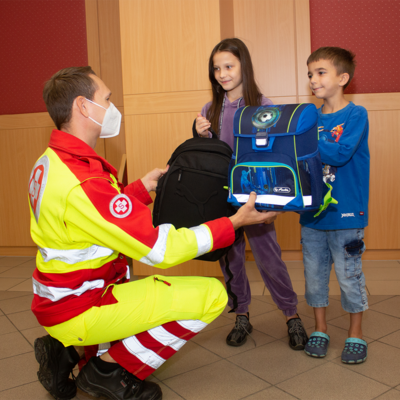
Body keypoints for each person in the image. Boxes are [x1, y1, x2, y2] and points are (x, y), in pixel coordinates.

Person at [28, 66, 279, 400]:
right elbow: (161, 250)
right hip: (83, 304)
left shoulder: (52, 162)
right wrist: (233, 222)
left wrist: (140, 189)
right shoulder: (84, 181)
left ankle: (66, 353)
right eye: (106, 99)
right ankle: (107, 372)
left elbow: (91, 218)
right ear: (84, 107)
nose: (112, 107)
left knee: (133, 313)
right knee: (211, 296)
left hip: (61, 297)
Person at [195, 38, 308, 349]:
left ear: (244, 66)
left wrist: (274, 203)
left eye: (229, 66)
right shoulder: (210, 108)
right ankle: (241, 314)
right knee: (230, 261)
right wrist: (199, 133)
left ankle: (291, 314)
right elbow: (208, 155)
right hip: (223, 197)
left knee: (269, 258)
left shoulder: (263, 105)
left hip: (255, 197)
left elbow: (278, 153)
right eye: (216, 68)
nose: (222, 73)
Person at [300, 47, 370, 363]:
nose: (313, 79)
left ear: (343, 78)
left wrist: (306, 139)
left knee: (348, 275)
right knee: (314, 275)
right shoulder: (309, 116)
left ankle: (356, 334)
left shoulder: (356, 115)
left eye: (320, 72)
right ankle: (320, 329)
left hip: (346, 214)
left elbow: (340, 153)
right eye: (310, 73)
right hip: (312, 215)